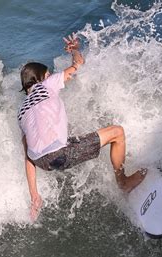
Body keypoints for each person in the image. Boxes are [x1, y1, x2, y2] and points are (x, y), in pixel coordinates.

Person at [18, 34, 147, 221]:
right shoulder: (46, 85)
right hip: (59, 154)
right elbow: (79, 64)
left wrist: (34, 196)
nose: (51, 77)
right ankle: (124, 183)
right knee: (117, 132)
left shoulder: (21, 112)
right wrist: (74, 50)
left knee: (70, 138)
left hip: (42, 161)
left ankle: (120, 177)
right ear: (41, 78)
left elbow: (28, 157)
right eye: (48, 75)